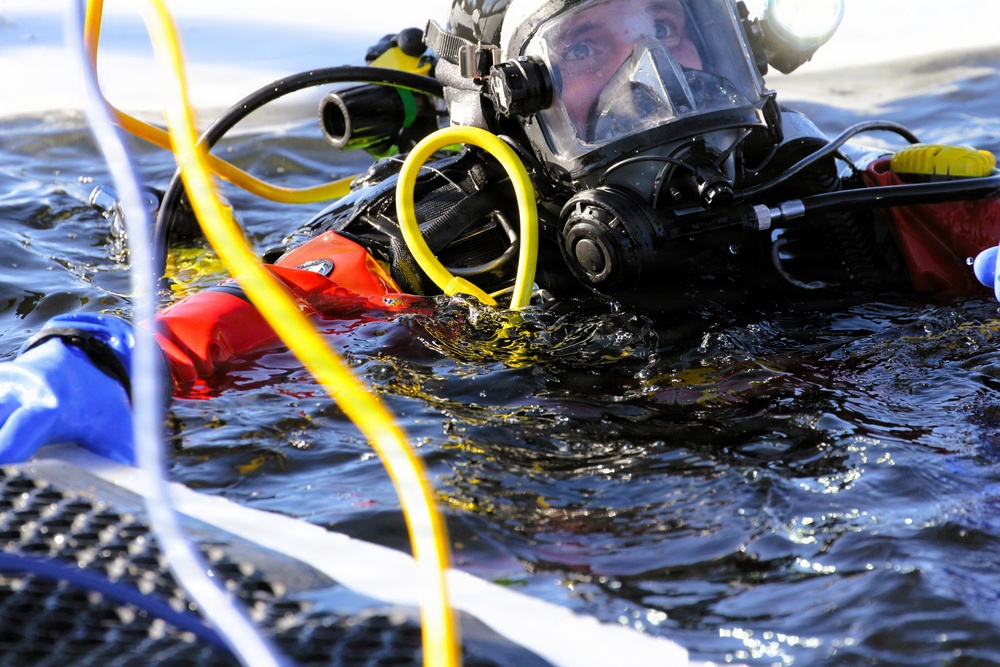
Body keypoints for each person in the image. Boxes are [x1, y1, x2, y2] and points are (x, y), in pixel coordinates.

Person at [2, 0, 999, 464]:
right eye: (597, 46)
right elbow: (271, 309)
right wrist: (106, 357)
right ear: (514, 105)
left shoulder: (832, 201)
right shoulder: (459, 241)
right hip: (574, 497)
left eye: (677, 30)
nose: (652, 76)